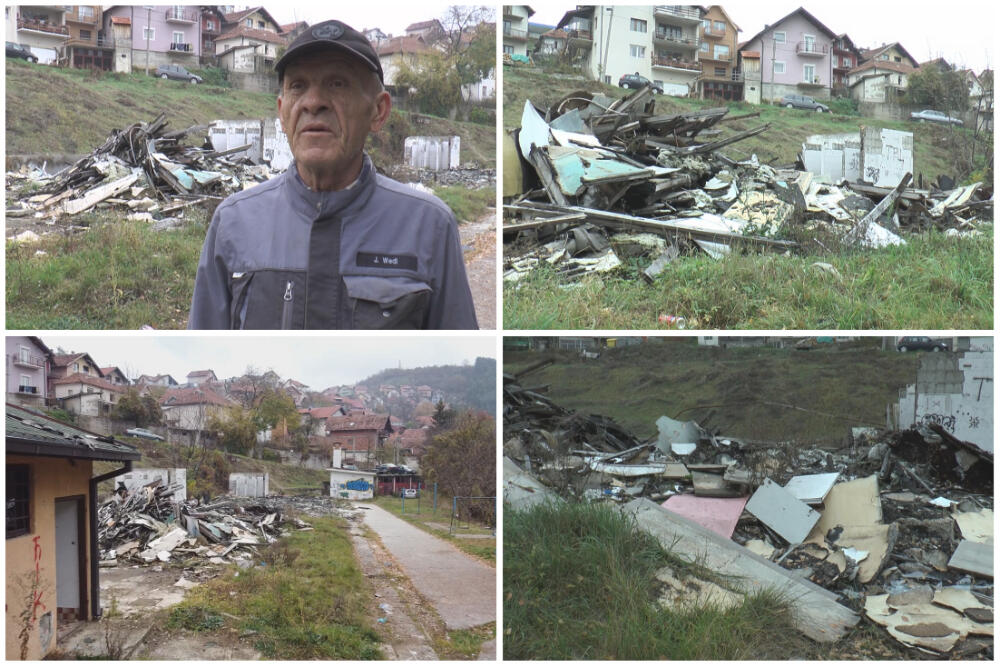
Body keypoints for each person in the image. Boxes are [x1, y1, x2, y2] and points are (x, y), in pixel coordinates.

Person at [188, 20, 478, 329]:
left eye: (338, 84)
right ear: (282, 112)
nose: (313, 103)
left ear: (378, 112)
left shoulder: (429, 227)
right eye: (298, 86)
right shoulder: (233, 224)